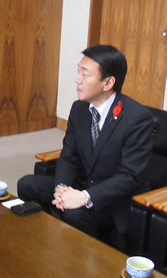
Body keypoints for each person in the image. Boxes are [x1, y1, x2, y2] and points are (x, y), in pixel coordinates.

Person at [17, 44, 154, 245]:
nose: (77, 79)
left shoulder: (137, 118)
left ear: (108, 82)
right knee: (27, 184)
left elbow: (129, 176)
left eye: (85, 74)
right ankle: (46, 241)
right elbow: (68, 156)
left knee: (75, 213)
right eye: (78, 71)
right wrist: (61, 189)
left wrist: (85, 197)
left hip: (113, 197)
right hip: (81, 184)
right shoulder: (79, 108)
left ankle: (89, 263)